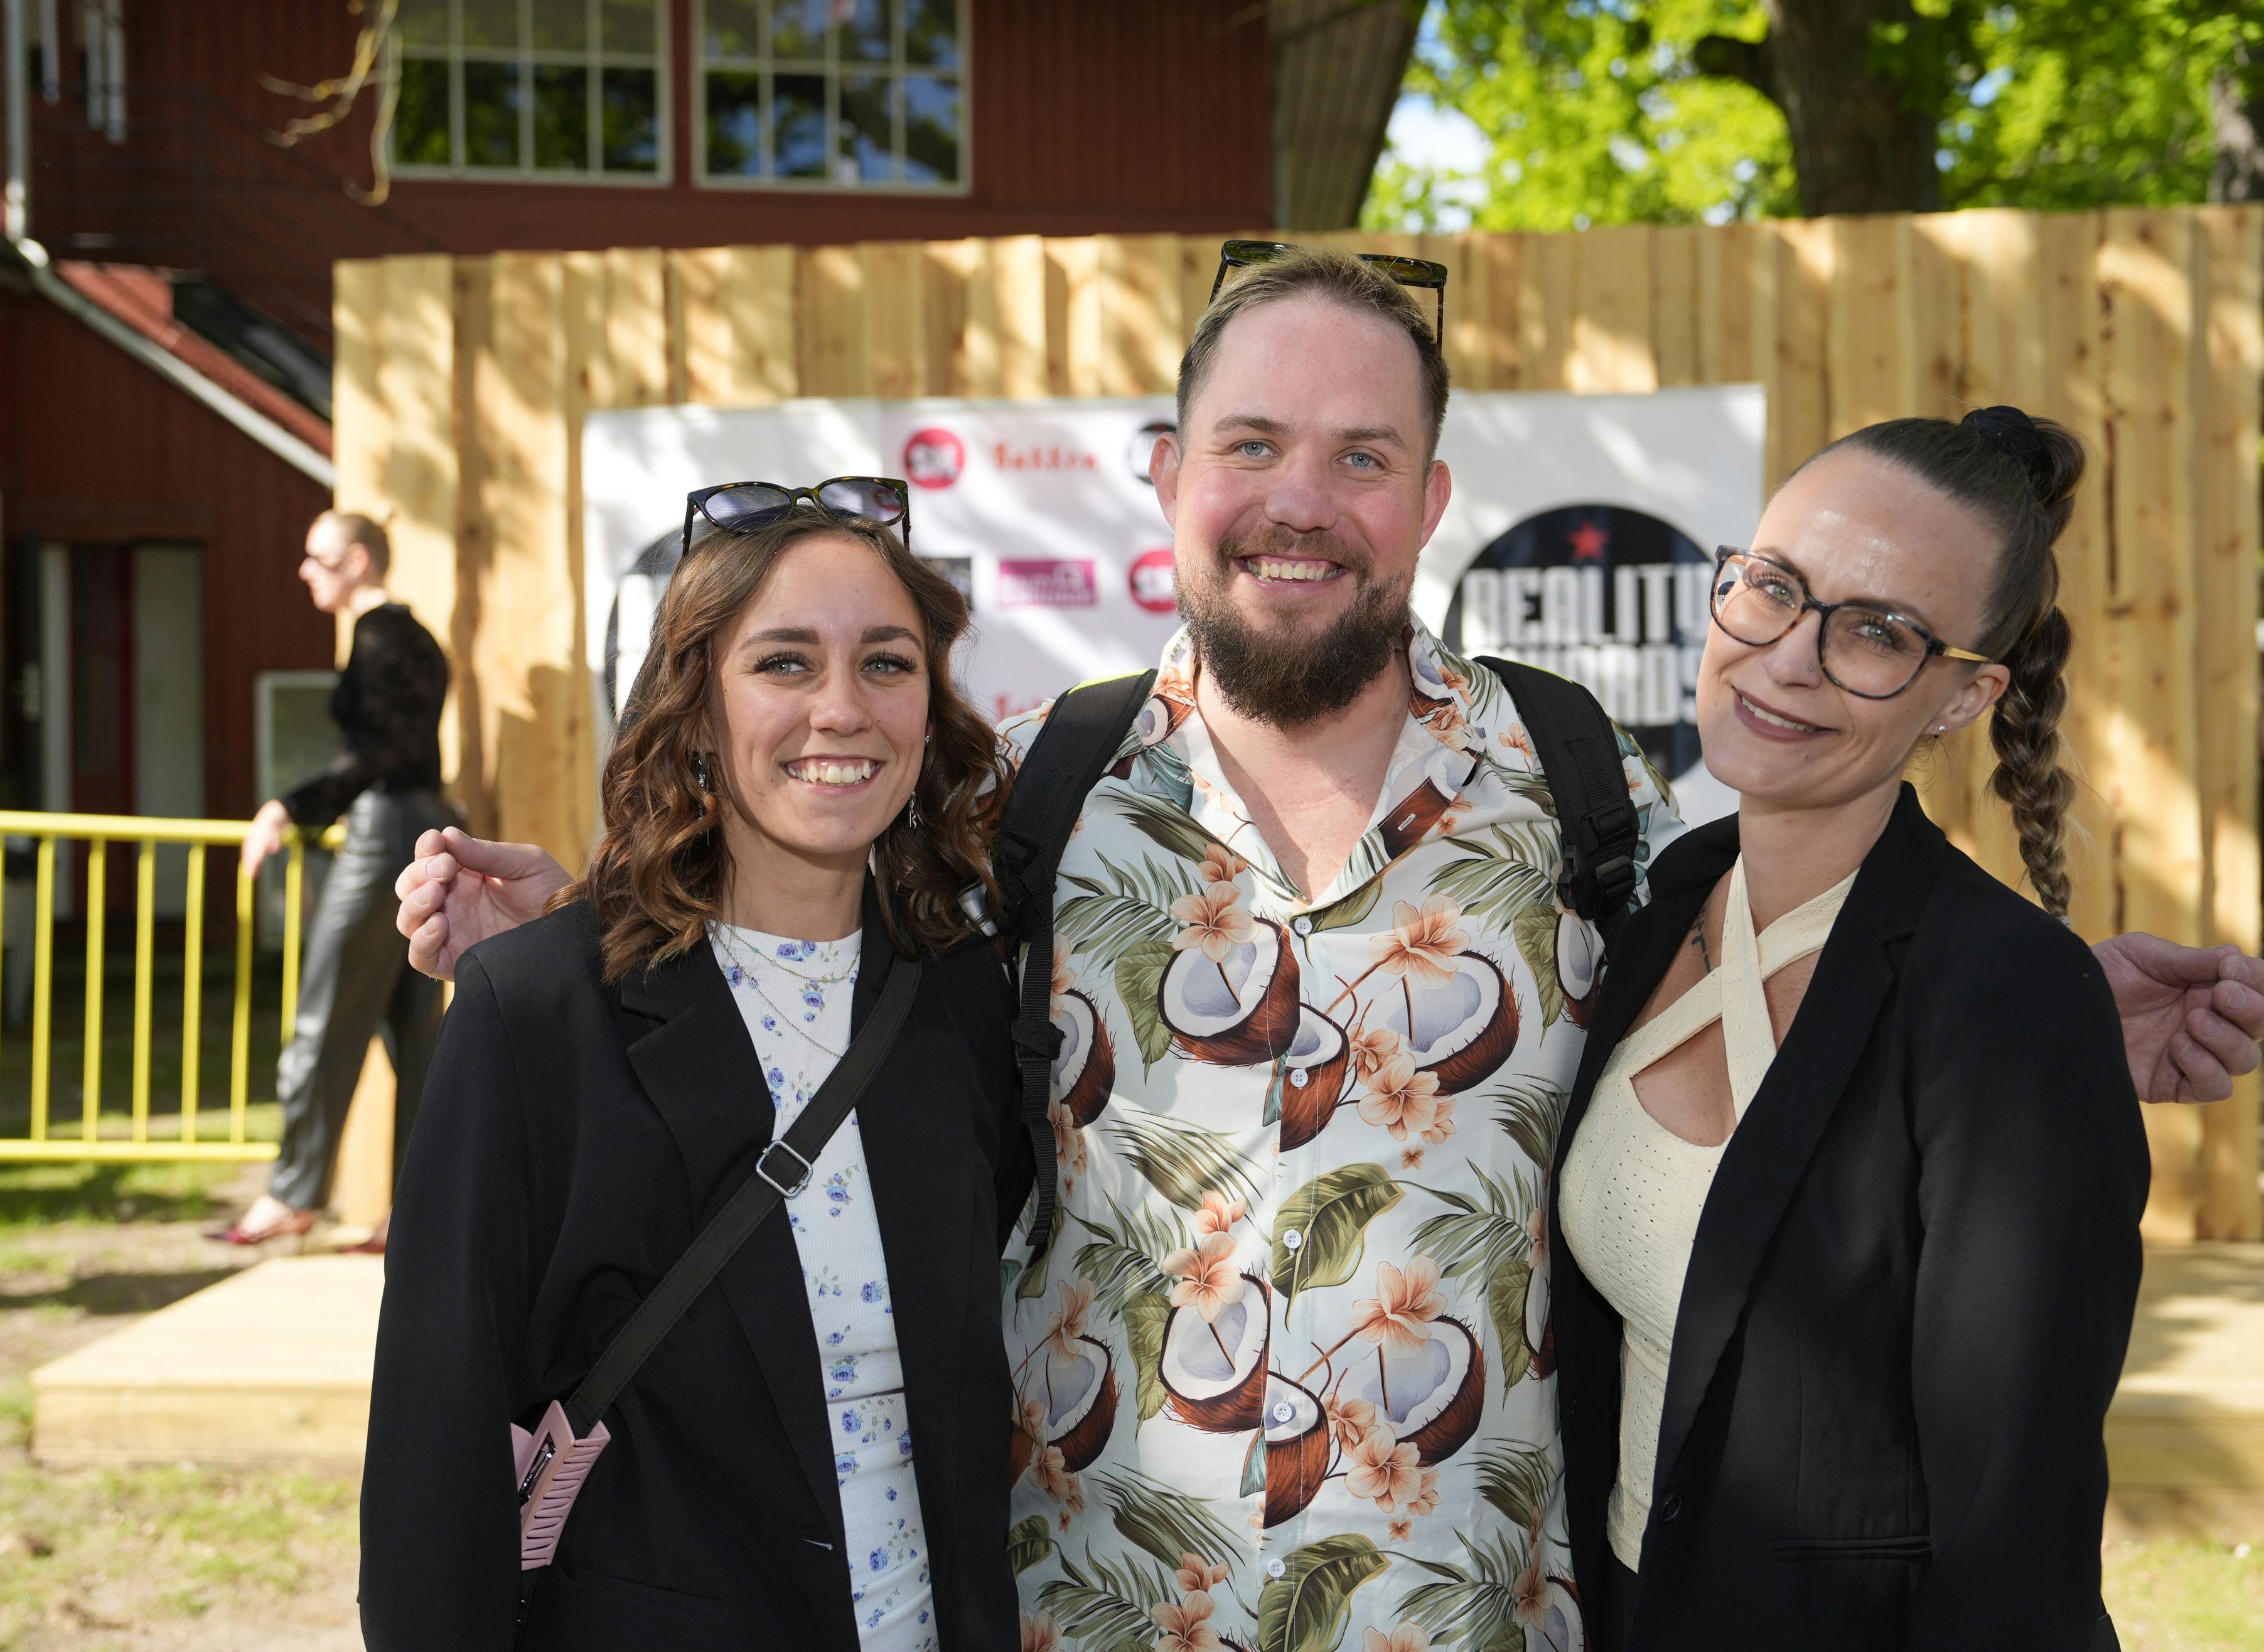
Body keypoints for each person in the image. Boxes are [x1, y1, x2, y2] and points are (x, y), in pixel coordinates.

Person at [389, 250, 2264, 1643]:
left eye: (1362, 455)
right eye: (1252, 443)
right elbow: (816, 971)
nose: (1301, 498)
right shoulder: (1035, 798)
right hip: (1089, 1614)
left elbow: (1774, 999)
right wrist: (596, 925)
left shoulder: (1578, 782)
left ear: (1431, 502)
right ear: (1166, 473)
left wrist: (2015, 1011)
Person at [359, 491, 1027, 1649]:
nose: (842, 708)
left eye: (886, 662)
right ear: (699, 708)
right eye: (782, 661)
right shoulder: (537, 1009)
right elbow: (435, 1451)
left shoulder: (964, 998)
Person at [1551, 409, 2144, 1649]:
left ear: (1965, 695)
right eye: (1773, 586)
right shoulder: (1650, 905)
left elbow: (2015, 1533)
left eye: (1878, 631)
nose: (1787, 657)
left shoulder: (2006, 998)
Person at [215, 511, 451, 1248]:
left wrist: (287, 806)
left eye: (314, 558)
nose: (303, 571)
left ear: (354, 561)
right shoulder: (406, 637)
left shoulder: (382, 637)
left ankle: (292, 1194)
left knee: (324, 1015)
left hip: (387, 833)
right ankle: (416, 1210)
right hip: (419, 824)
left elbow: (381, 752)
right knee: (416, 1034)